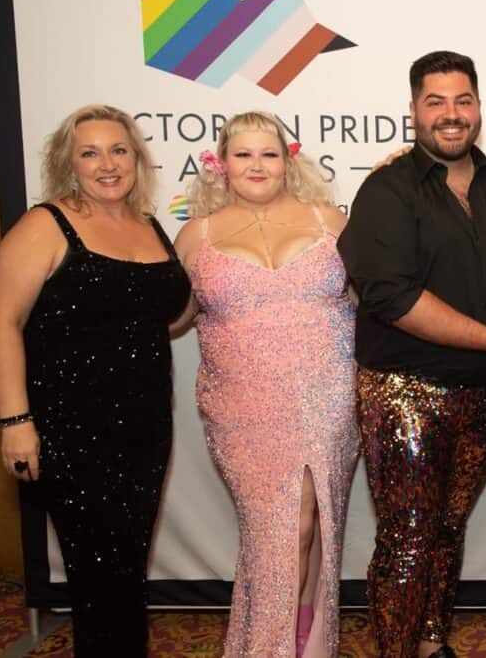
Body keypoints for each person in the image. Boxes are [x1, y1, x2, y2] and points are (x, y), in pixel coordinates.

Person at [337, 50, 486, 658]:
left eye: (463, 101)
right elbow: (393, 297)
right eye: (436, 103)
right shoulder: (386, 188)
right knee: (407, 537)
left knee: (448, 528)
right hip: (405, 389)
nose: (451, 116)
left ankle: (431, 643)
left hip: (485, 390)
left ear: (479, 107)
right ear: (413, 112)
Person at [0, 105, 191, 656]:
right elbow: (0, 322)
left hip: (145, 428)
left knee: (125, 568)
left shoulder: (149, 225)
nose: (107, 164)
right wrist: (15, 422)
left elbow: (167, 316)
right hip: (69, 429)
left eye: (118, 150)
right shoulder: (46, 224)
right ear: (68, 162)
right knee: (97, 573)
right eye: (90, 152)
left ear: (137, 157)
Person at [172, 111, 358, 658]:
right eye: (243, 154)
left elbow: (374, 297)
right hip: (242, 407)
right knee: (275, 531)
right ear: (221, 164)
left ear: (288, 160)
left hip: (327, 396)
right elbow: (175, 317)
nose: (257, 165)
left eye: (269, 154)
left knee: (311, 522)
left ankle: (300, 645)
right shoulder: (196, 234)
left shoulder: (329, 220)